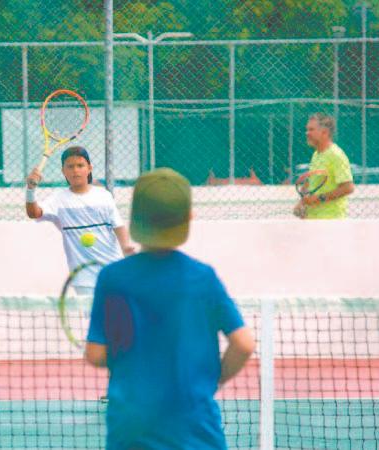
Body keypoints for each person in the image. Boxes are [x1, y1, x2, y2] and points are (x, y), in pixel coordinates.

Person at [85, 168, 255, 450]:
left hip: (131, 430)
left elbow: (96, 354)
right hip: (196, 430)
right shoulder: (203, 277)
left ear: (134, 218)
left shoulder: (112, 278)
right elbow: (244, 344)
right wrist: (211, 382)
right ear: (189, 217)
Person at [25, 146, 135, 294]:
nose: (75, 170)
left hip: (112, 272)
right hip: (83, 279)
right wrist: (30, 189)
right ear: (63, 171)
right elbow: (34, 213)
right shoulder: (57, 199)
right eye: (70, 167)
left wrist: (126, 247)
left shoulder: (103, 196)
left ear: (89, 168)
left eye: (80, 165)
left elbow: (118, 225)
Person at [294, 113, 354, 219]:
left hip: (331, 220)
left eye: (311, 130)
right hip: (313, 219)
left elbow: (348, 188)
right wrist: (302, 203)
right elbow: (310, 183)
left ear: (324, 132)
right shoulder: (316, 155)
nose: (307, 133)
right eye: (307, 129)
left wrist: (319, 198)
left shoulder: (336, 155)